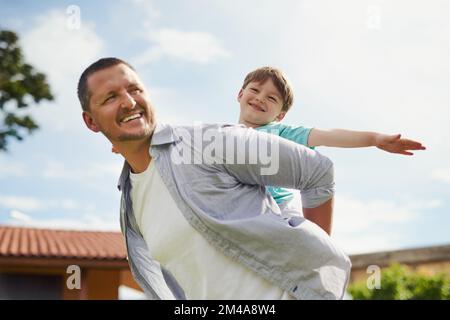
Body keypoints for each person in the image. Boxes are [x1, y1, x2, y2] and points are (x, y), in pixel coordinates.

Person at [79, 57, 351, 300]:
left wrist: (312, 253)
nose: (129, 101)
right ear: (91, 122)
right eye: (110, 97)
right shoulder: (132, 205)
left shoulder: (206, 141)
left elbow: (317, 171)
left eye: (135, 89)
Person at [237, 66, 425, 219]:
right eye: (255, 89)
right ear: (240, 94)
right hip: (239, 209)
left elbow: (328, 135)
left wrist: (374, 139)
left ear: (280, 115)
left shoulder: (279, 133)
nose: (260, 97)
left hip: (278, 213)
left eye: (271, 98)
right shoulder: (220, 135)